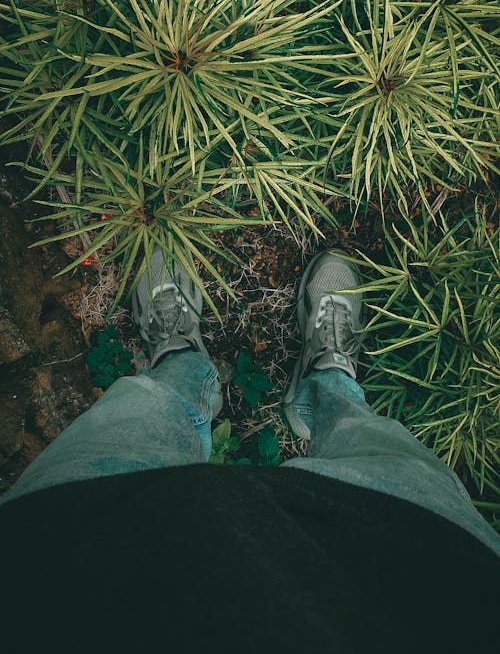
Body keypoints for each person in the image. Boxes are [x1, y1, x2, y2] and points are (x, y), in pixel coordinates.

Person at [0, 249, 498, 653]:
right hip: (419, 569)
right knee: (382, 454)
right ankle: (328, 382)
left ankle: (182, 365)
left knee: (135, 421)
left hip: (72, 545)